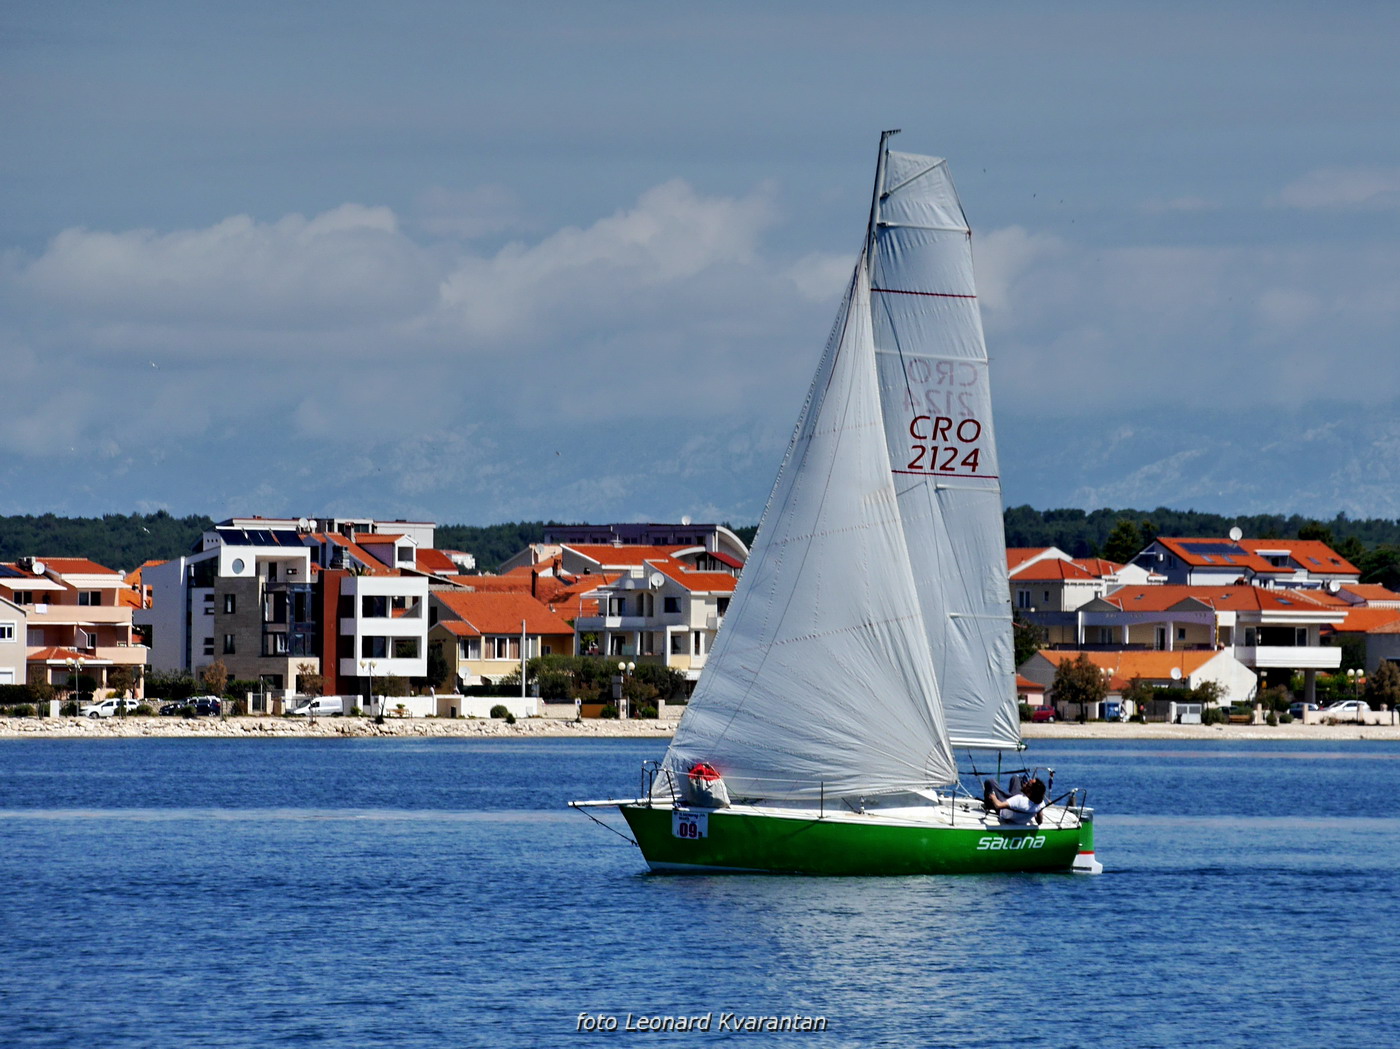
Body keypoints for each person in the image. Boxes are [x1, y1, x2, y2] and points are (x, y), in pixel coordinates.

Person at [982, 775, 1047, 825]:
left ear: (1030, 792)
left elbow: (998, 805)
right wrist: (1033, 813)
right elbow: (1039, 821)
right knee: (1016, 778)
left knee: (990, 781)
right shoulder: (1040, 803)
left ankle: (988, 804)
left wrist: (993, 796)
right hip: (1015, 805)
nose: (1025, 783)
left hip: (1002, 810)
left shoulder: (1019, 800)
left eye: (1027, 784)